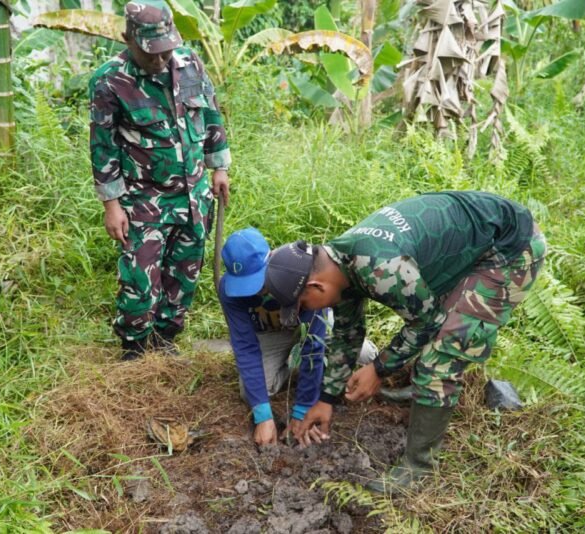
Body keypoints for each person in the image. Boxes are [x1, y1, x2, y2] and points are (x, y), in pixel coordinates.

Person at [264, 191, 547, 494]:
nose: (307, 311)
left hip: (510, 248)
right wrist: (326, 400)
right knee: (433, 322)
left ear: (315, 285)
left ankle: (419, 468)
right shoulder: (338, 263)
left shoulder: (380, 268)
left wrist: (379, 368)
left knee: (442, 354)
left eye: (303, 304)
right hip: (471, 246)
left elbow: (427, 321)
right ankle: (423, 392)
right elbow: (347, 334)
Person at [89, 0, 231, 360]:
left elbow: (211, 114)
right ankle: (135, 349)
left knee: (184, 276)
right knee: (139, 284)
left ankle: (165, 340)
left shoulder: (189, 63)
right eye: (151, 52)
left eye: (166, 50)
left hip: (193, 195)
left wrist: (219, 167)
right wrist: (111, 205)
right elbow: (103, 146)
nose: (160, 59)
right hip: (142, 200)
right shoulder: (110, 81)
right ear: (128, 39)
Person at [219, 228, 376, 445]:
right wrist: (263, 417)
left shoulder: (294, 273)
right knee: (251, 393)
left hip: (309, 326)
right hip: (271, 334)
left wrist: (302, 408)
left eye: (256, 282)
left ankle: (318, 364)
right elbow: (245, 346)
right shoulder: (229, 290)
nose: (253, 291)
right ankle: (295, 363)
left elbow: (313, 342)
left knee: (366, 356)